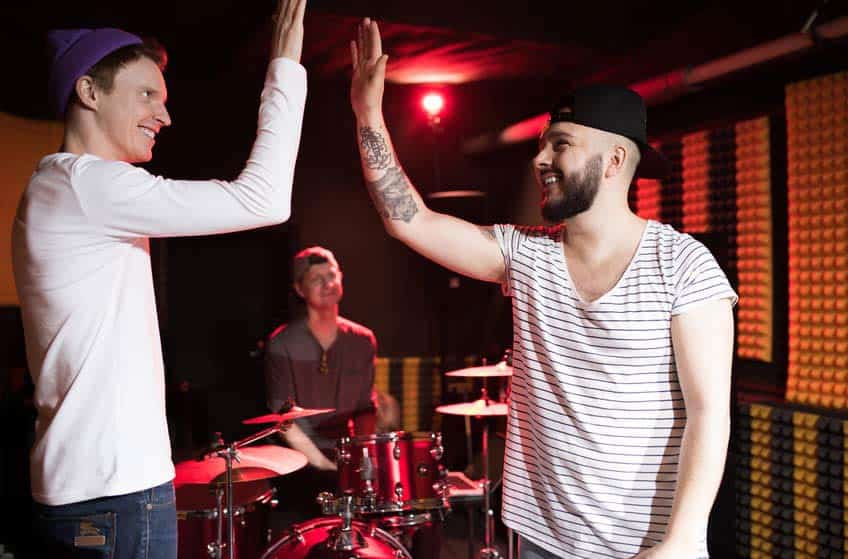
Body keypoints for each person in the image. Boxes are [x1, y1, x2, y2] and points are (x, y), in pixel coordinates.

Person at [350, 18, 736, 559]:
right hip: (542, 543)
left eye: (560, 144)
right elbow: (407, 220)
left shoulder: (684, 266)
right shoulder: (525, 254)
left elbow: (709, 413)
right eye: (540, 145)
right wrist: (369, 115)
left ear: (616, 161)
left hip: (650, 548)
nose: (539, 159)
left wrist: (681, 539)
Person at [12, 1, 308, 557]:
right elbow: (263, 200)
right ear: (89, 92)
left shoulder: (61, 189)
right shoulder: (86, 186)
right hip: (114, 493)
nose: (164, 117)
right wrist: (286, 68)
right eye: (147, 95)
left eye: (164, 100)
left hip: (88, 489)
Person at [263, 246, 378, 521]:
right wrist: (324, 466)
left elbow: (365, 409)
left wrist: (363, 455)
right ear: (300, 290)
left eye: (332, 275)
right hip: (299, 459)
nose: (328, 284)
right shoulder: (282, 344)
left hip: (345, 452)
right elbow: (285, 422)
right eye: (317, 279)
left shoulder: (363, 340)